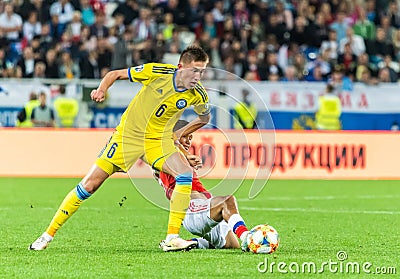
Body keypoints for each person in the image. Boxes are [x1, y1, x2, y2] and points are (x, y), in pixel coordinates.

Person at [29, 45, 211, 252]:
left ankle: (172, 237)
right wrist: (101, 90)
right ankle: (46, 236)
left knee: (185, 174)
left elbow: (204, 117)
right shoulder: (157, 72)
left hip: (157, 140)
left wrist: (180, 133)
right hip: (128, 136)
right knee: (89, 186)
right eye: (194, 70)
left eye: (202, 71)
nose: (198, 76)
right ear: (180, 67)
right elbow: (114, 74)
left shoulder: (198, 94)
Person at [155, 120, 250, 250]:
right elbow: (169, 141)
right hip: (192, 209)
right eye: (184, 137)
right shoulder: (168, 155)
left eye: (190, 137)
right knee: (227, 201)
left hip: (202, 209)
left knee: (231, 245)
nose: (188, 141)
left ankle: (189, 243)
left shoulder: (170, 160)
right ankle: (248, 238)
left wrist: (185, 155)